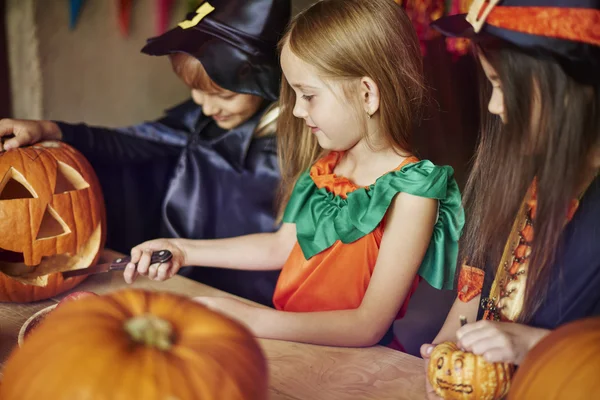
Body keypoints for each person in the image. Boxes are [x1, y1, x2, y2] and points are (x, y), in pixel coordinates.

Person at [124, 0, 464, 348]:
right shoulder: (327, 167)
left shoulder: (413, 193)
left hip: (352, 367)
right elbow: (279, 246)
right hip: (288, 346)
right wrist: (182, 250)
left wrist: (247, 316)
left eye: (308, 96)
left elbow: (367, 326)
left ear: (367, 94)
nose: (298, 111)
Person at [0, 0, 291, 306]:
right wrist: (50, 129)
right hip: (182, 279)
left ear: (269, 80)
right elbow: (129, 143)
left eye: (223, 95)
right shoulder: (197, 121)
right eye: (196, 90)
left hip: (256, 296)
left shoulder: (296, 145)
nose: (206, 106)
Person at [421, 0, 600, 395]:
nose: (493, 106)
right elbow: (468, 308)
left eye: (502, 86)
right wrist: (446, 356)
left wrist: (535, 344)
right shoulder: (516, 175)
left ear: (566, 86)